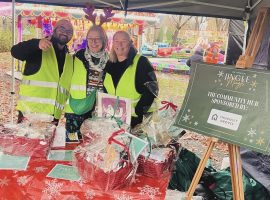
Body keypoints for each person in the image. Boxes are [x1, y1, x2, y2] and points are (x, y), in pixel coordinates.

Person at [11, 19, 74, 125]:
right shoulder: (39, 48)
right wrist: (36, 44)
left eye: (69, 31)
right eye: (62, 28)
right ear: (54, 30)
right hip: (30, 114)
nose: (65, 32)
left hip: (53, 117)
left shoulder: (69, 58)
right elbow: (15, 51)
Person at [103, 30, 158, 128]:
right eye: (116, 41)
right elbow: (106, 90)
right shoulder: (109, 64)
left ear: (130, 43)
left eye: (123, 41)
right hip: (116, 120)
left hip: (138, 121)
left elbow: (152, 91)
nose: (119, 44)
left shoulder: (142, 62)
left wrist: (138, 115)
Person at [65, 25, 109, 142]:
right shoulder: (76, 58)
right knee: (74, 146)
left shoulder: (111, 60)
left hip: (100, 113)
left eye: (97, 38)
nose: (94, 42)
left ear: (104, 40)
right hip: (76, 111)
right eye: (90, 39)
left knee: (96, 147)